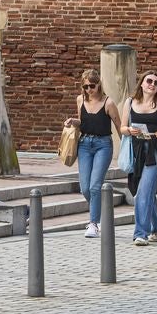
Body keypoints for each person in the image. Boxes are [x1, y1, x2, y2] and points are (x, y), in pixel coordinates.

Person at [123, 71, 157, 247]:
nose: (152, 85)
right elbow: (123, 127)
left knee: (143, 193)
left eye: (156, 83)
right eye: (149, 81)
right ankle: (156, 227)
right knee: (148, 192)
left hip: (155, 152)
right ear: (141, 83)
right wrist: (129, 130)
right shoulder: (130, 102)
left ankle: (141, 233)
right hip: (137, 151)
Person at [66, 68, 121, 237]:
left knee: (95, 185)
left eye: (92, 86)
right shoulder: (80, 100)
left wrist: (127, 149)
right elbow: (82, 122)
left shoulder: (108, 103)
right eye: (86, 87)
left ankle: (93, 223)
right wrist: (72, 121)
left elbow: (119, 126)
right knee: (85, 188)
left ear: (99, 85)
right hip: (84, 144)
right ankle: (99, 213)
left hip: (103, 145)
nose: (89, 90)